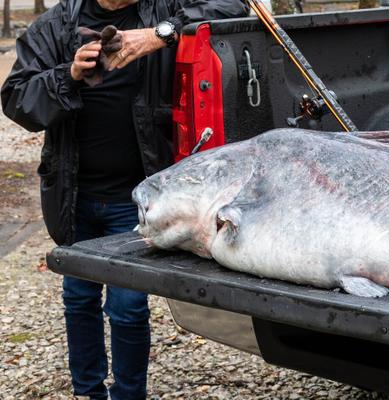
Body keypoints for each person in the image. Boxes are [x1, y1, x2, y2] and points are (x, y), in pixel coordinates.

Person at [0, 0, 248, 398]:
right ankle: (88, 391)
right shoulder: (57, 24)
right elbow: (16, 100)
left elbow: (234, 7)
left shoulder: (161, 9)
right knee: (79, 299)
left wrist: (160, 34)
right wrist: (70, 74)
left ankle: (129, 395)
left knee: (129, 307)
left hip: (136, 198)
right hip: (74, 194)